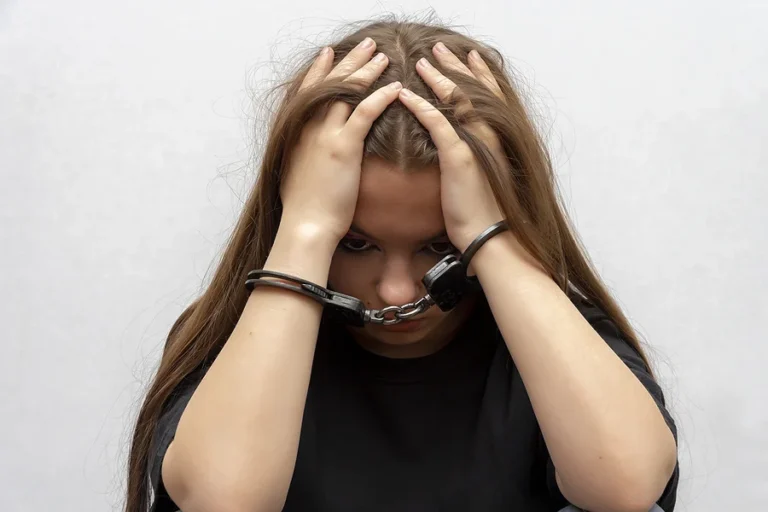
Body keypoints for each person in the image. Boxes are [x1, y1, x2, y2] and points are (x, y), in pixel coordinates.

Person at [125, 16, 680, 512]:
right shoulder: (230, 346)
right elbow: (223, 504)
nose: (394, 293)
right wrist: (306, 228)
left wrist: (494, 237)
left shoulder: (563, 343)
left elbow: (627, 492)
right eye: (356, 244)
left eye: (440, 246)